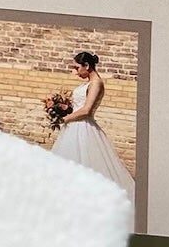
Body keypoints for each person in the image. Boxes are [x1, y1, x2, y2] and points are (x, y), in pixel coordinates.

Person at [49, 49, 135, 204]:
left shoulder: (96, 83)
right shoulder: (88, 83)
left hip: (83, 128)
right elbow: (79, 106)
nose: (75, 72)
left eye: (77, 68)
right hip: (74, 126)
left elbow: (87, 110)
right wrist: (64, 108)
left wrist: (64, 119)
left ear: (87, 65)